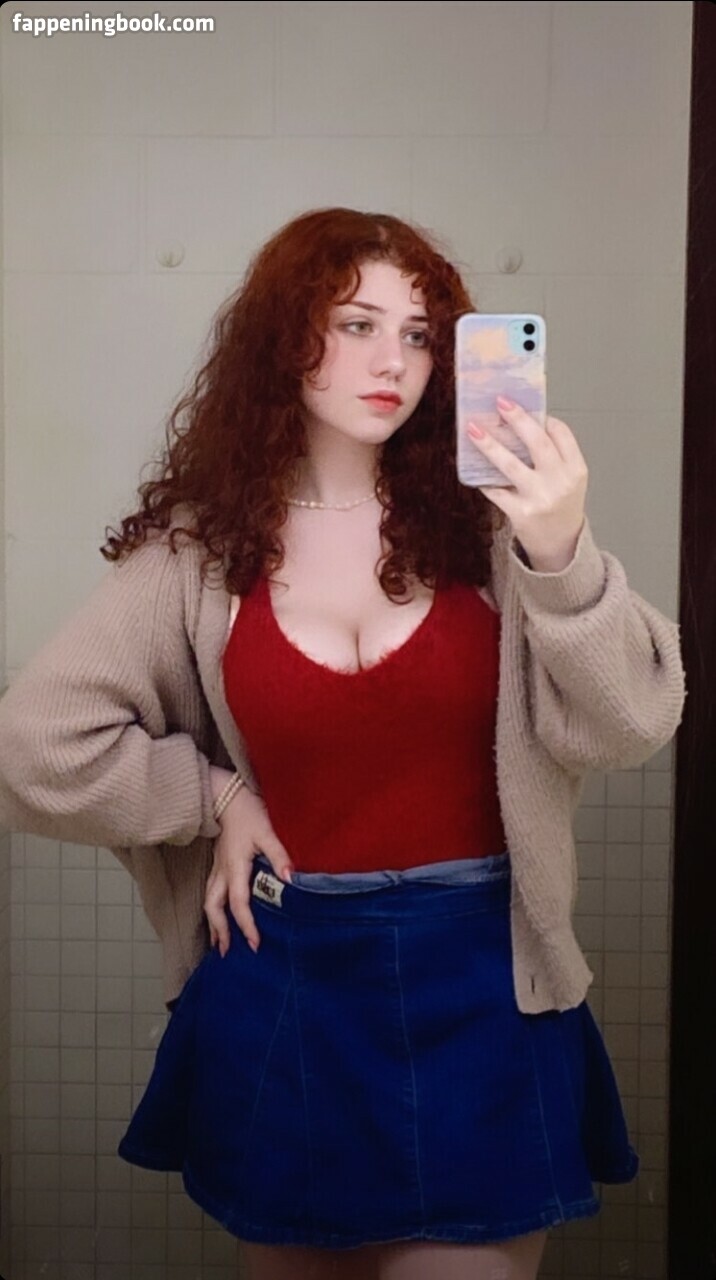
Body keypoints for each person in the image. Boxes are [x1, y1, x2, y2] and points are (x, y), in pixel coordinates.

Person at [0, 207, 686, 1280]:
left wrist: (562, 551)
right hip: (284, 978)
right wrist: (215, 796)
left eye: (419, 334)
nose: (393, 361)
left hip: (486, 980)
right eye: (357, 324)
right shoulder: (199, 554)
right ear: (286, 340)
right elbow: (34, 745)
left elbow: (633, 719)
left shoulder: (495, 534)